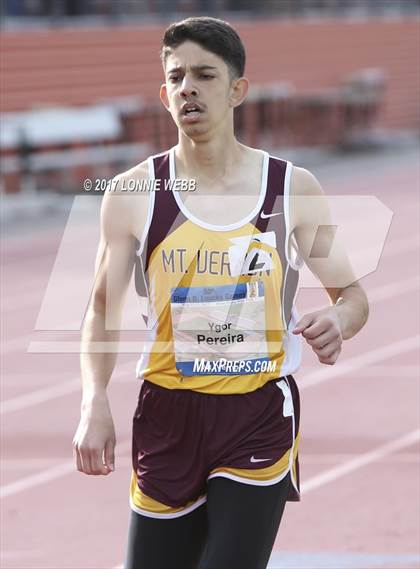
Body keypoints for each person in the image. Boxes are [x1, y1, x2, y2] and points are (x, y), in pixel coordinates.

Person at [72, 17, 369, 569]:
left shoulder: (291, 187)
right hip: (167, 412)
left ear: (237, 90)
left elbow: (352, 295)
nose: (189, 87)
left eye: (205, 75)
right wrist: (93, 402)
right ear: (164, 95)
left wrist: (339, 319)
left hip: (256, 411)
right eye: (177, 76)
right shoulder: (134, 192)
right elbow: (100, 310)